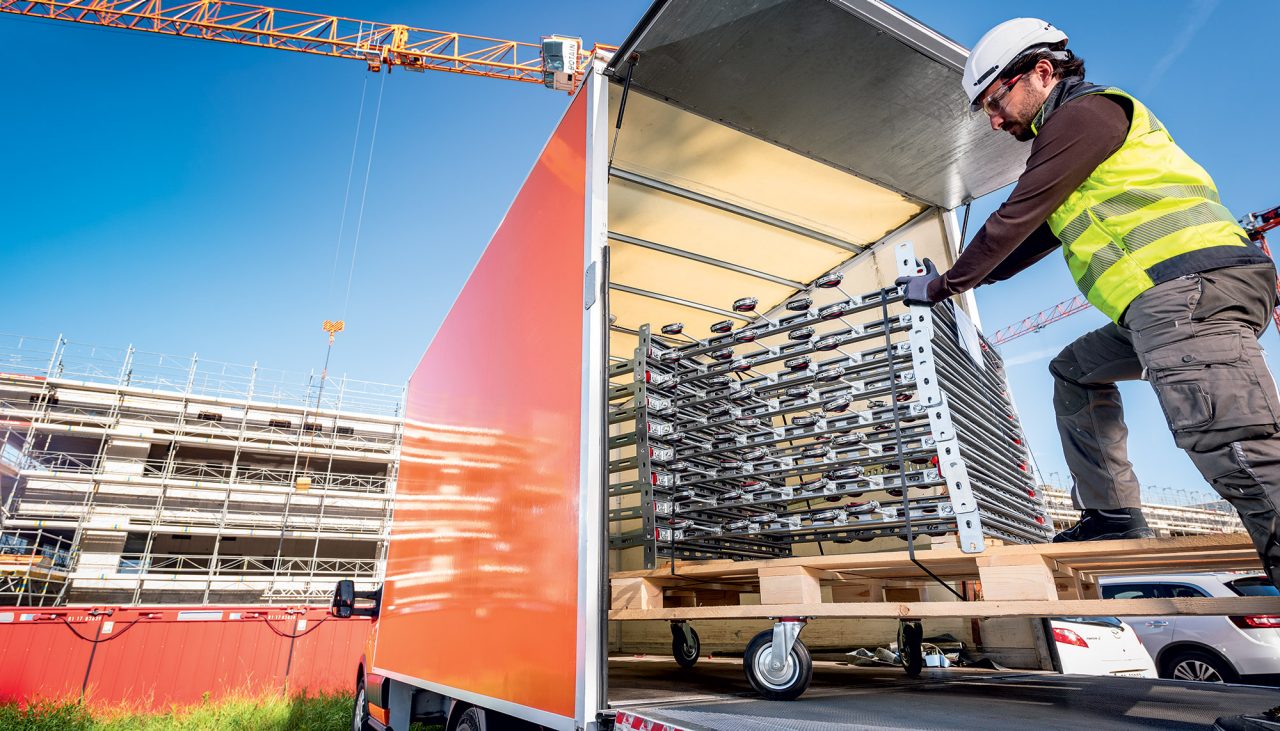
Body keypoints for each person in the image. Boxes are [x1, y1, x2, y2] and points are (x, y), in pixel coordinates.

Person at [895, 18, 1280, 588]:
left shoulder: (1085, 116)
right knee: (1074, 371)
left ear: (1041, 72)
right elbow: (1033, 235)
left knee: (1235, 449)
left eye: (995, 102)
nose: (995, 121)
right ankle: (1113, 513)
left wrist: (943, 285)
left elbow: (1017, 214)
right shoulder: (1076, 141)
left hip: (1184, 292)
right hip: (1167, 302)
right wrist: (963, 280)